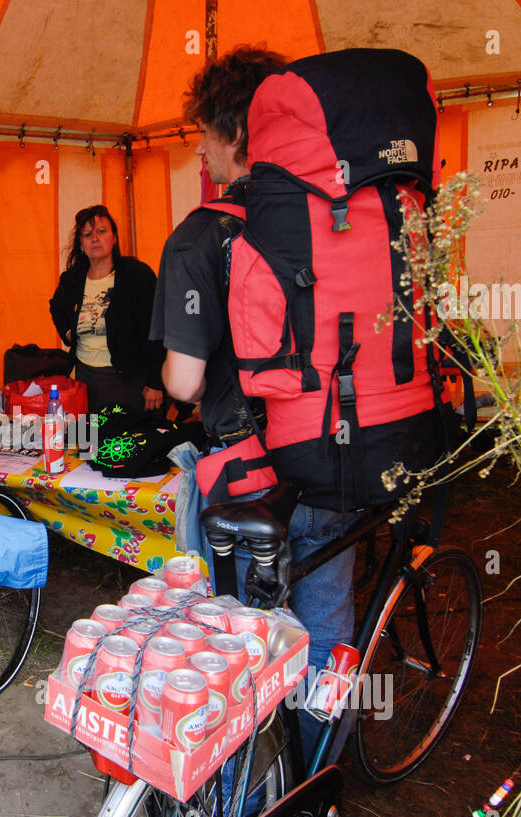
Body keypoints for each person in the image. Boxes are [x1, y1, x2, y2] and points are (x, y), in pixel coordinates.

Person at [154, 47, 356, 767]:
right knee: (326, 633)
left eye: (205, 132)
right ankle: (316, 788)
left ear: (234, 134)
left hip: (246, 481)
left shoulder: (197, 235)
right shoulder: (332, 215)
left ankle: (237, 800)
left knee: (237, 643)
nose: (200, 148)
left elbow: (182, 382)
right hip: (330, 458)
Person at [50, 205, 162, 413]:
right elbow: (55, 308)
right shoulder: (72, 279)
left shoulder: (137, 275)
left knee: (125, 442)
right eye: (87, 234)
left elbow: (158, 329)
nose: (95, 238)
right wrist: (67, 333)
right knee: (91, 441)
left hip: (129, 381)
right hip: (85, 379)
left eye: (102, 231)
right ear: (81, 245)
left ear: (115, 238)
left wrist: (156, 382)